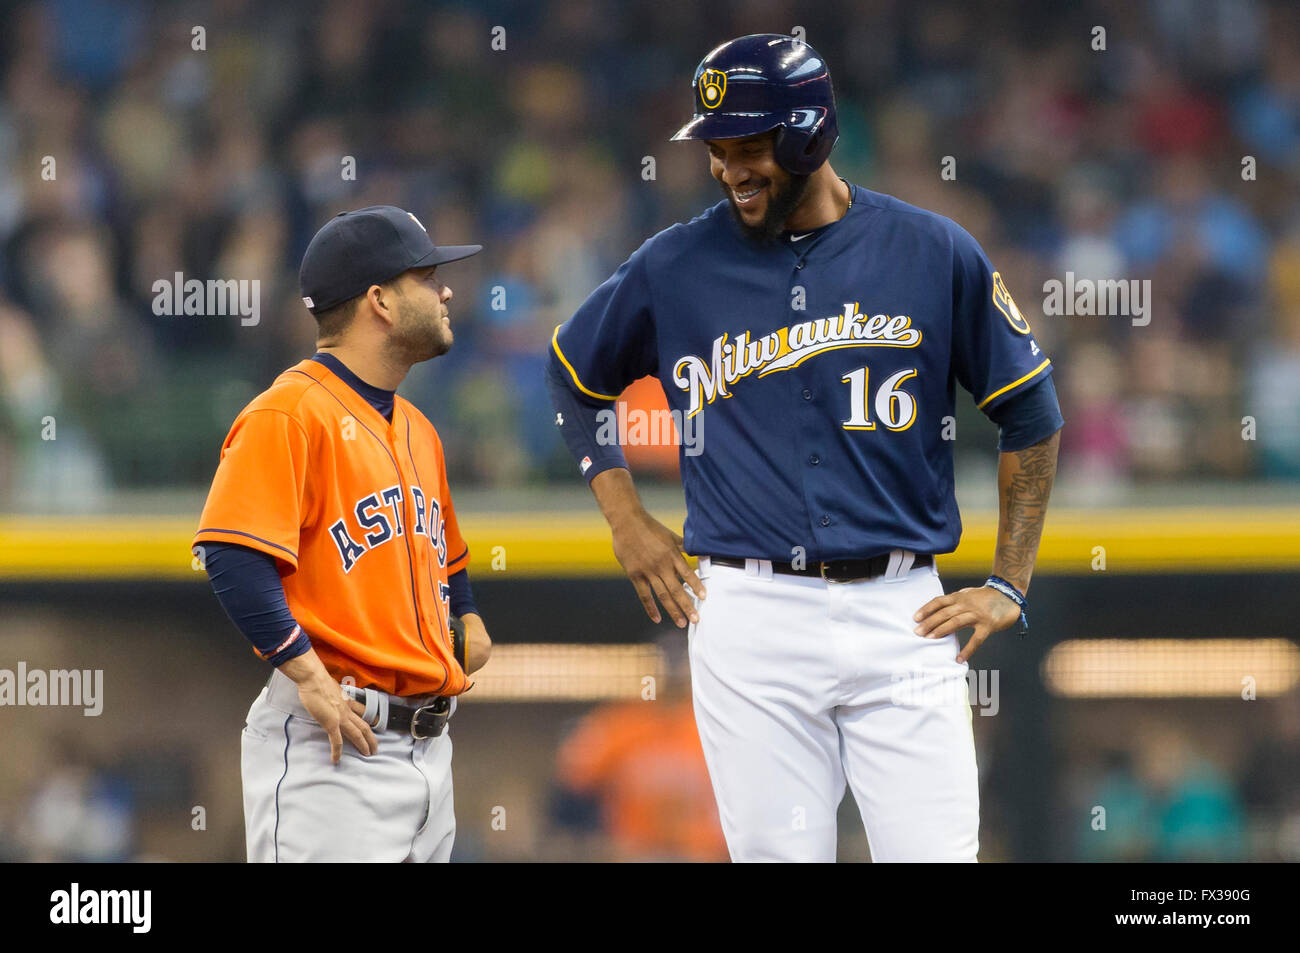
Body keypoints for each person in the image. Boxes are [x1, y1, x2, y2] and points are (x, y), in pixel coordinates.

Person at [545, 35, 1064, 862]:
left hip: (905, 612)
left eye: (749, 147)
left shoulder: (932, 252)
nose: (728, 169)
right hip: (749, 612)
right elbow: (573, 374)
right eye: (717, 150)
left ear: (810, 133)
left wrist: (1010, 578)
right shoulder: (675, 264)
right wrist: (624, 515)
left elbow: (1031, 413)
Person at [194, 205, 492, 862]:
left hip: (428, 748)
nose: (445, 290)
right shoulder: (289, 411)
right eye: (426, 276)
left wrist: (466, 609)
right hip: (333, 742)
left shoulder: (418, 427)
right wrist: (307, 673)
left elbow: (448, 553)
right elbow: (230, 553)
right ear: (380, 300)